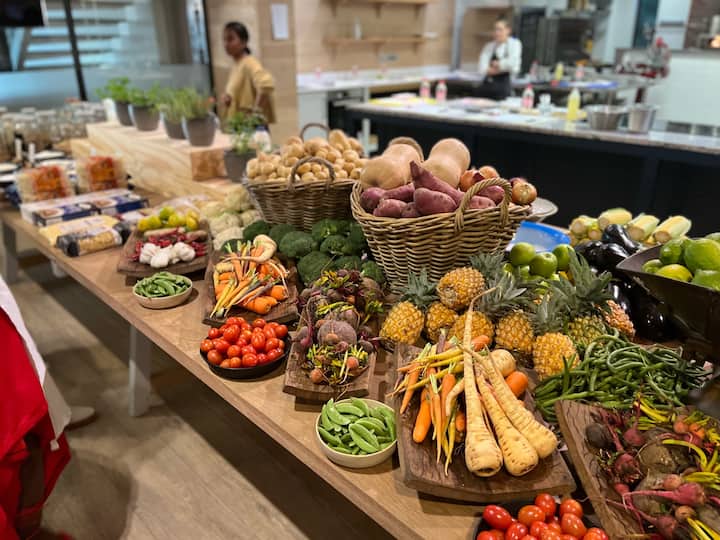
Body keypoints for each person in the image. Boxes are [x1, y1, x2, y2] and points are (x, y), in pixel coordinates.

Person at [221, 22, 276, 124]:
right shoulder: (237, 65)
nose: (226, 44)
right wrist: (229, 99)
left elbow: (266, 84)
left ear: (244, 42)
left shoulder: (250, 63)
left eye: (230, 39)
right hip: (238, 125)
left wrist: (254, 116)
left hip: (249, 128)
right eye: (224, 39)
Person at [476, 16, 522, 100]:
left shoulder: (515, 44)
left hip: (504, 91)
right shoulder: (489, 46)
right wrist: (503, 67)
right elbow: (482, 68)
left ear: (508, 30)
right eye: (495, 30)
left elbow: (514, 66)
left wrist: (497, 64)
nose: (497, 33)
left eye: (500, 29)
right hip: (486, 89)